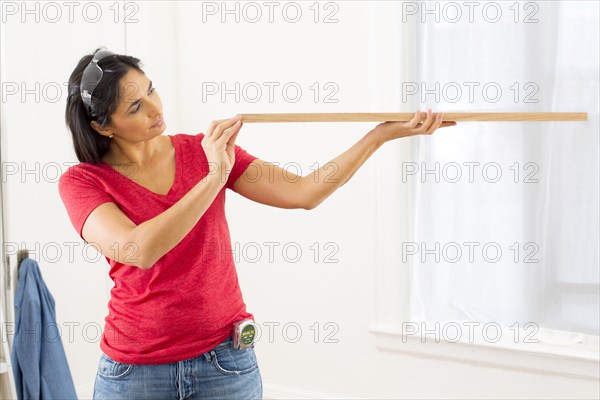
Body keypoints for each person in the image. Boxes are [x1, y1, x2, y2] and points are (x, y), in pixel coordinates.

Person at [58, 47, 457, 400]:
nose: (155, 108)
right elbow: (137, 250)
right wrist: (215, 175)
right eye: (135, 107)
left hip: (225, 363)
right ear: (102, 126)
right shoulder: (83, 182)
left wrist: (377, 137)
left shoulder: (204, 150)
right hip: (134, 374)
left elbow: (304, 192)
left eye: (150, 90)